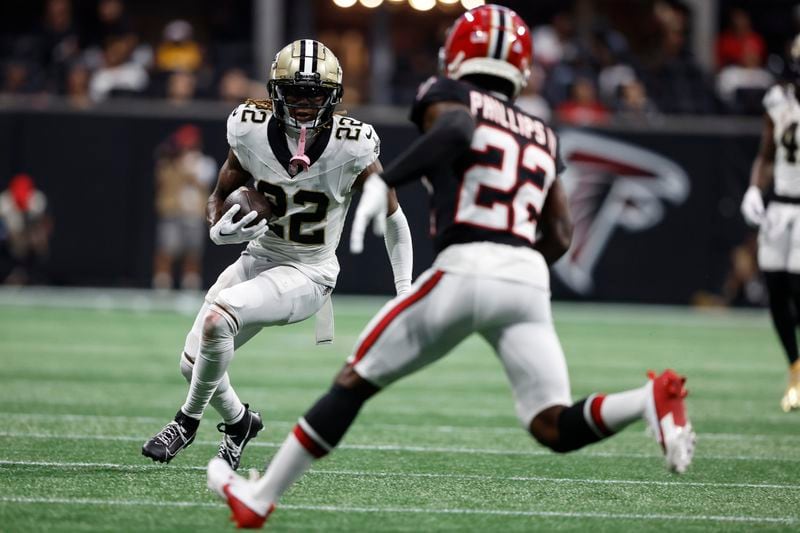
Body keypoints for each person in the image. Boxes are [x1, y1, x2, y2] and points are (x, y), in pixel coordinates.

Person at [206, 6, 696, 528]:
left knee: (353, 381)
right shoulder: (541, 130)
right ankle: (648, 399)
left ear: (459, 52)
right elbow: (560, 235)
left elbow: (460, 127)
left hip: (467, 264)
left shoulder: (451, 96)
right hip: (527, 280)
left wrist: (387, 179)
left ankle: (261, 497)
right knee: (551, 424)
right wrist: (516, 265)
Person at [141, 39, 413, 469]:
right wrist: (218, 230)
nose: (304, 104)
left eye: (315, 94)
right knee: (192, 363)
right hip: (257, 258)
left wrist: (404, 293)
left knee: (218, 318)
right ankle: (239, 422)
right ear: (274, 92)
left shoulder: (354, 145)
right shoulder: (248, 128)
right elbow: (219, 196)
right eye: (295, 92)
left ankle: (185, 422)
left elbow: (394, 218)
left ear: (334, 98)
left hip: (309, 272)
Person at [740, 34, 800, 412]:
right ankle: (795, 369)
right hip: (780, 205)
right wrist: (752, 189)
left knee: (797, 285)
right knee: (776, 288)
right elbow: (766, 151)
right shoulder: (779, 100)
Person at [152, 124, 216, 291]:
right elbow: (162, 182)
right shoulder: (170, 163)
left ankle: (189, 288)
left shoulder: (205, 163)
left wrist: (187, 172)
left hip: (193, 213)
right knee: (166, 250)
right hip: (172, 211)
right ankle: (161, 288)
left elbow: (204, 183)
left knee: (193, 254)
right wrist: (174, 164)